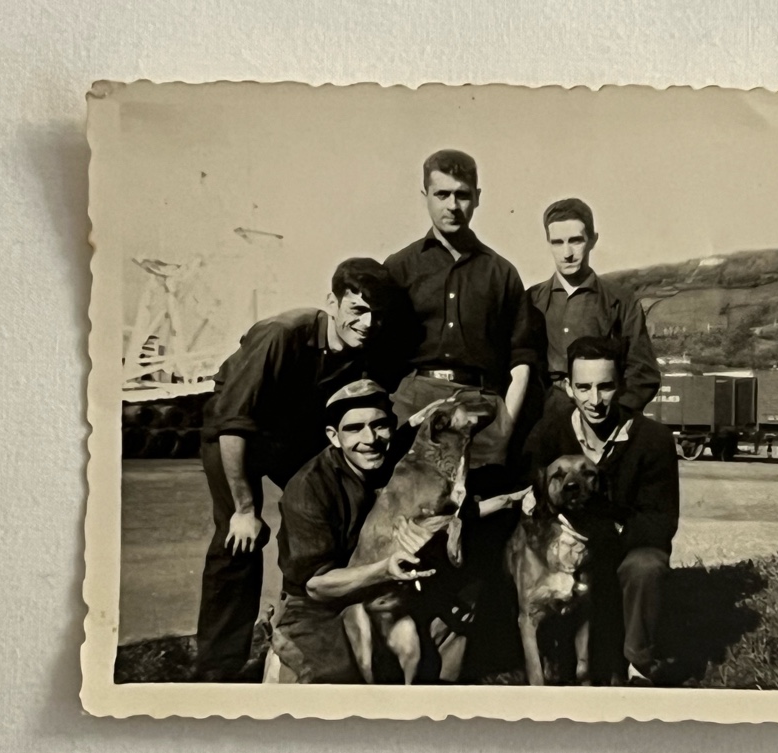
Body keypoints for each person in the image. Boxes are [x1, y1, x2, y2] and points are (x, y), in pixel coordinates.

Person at [193, 258, 406, 682]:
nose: (367, 323)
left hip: (289, 435)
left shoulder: (364, 347)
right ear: (332, 302)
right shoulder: (282, 334)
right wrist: (244, 510)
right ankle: (216, 669)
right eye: (358, 310)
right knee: (240, 542)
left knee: (329, 504)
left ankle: (303, 617)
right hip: (237, 437)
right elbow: (232, 425)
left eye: (377, 314)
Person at [272, 381, 528, 684]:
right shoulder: (309, 488)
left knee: (455, 628)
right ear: (333, 436)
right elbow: (316, 586)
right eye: (354, 429)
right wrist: (385, 568)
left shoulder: (396, 459)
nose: (370, 439)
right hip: (321, 606)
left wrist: (506, 501)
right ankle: (278, 664)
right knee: (340, 682)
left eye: (379, 426)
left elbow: (439, 510)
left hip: (389, 592)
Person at [521, 335, 680, 686]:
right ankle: (552, 653)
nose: (595, 401)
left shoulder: (653, 439)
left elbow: (659, 523)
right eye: (583, 387)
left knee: (646, 566)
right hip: (564, 554)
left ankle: (639, 665)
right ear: (568, 387)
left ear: (621, 384)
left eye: (605, 387)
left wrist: (599, 531)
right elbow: (533, 497)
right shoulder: (549, 433)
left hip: (623, 547)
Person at [384, 148, 538, 492]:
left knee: (478, 507)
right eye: (442, 194)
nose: (452, 205)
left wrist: (505, 425)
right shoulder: (399, 268)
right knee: (408, 508)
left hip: (480, 407)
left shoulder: (502, 273)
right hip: (414, 403)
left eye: (462, 195)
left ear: (477, 197)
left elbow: (521, 360)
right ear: (425, 195)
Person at [525, 198, 661, 418]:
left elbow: (644, 374)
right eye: (557, 242)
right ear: (548, 243)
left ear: (593, 240)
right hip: (543, 421)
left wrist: (611, 416)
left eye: (576, 240)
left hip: (602, 419)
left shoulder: (621, 301)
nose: (567, 253)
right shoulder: (530, 301)